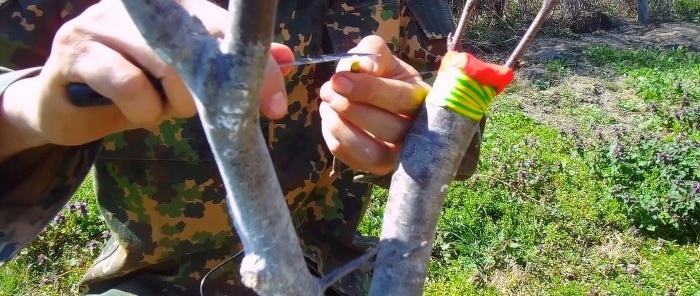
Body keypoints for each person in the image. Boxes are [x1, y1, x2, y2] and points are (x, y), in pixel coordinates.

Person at [0, 0, 483, 294]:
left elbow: (453, 138)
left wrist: (413, 127)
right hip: (157, 285)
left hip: (344, 278)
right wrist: (26, 107)